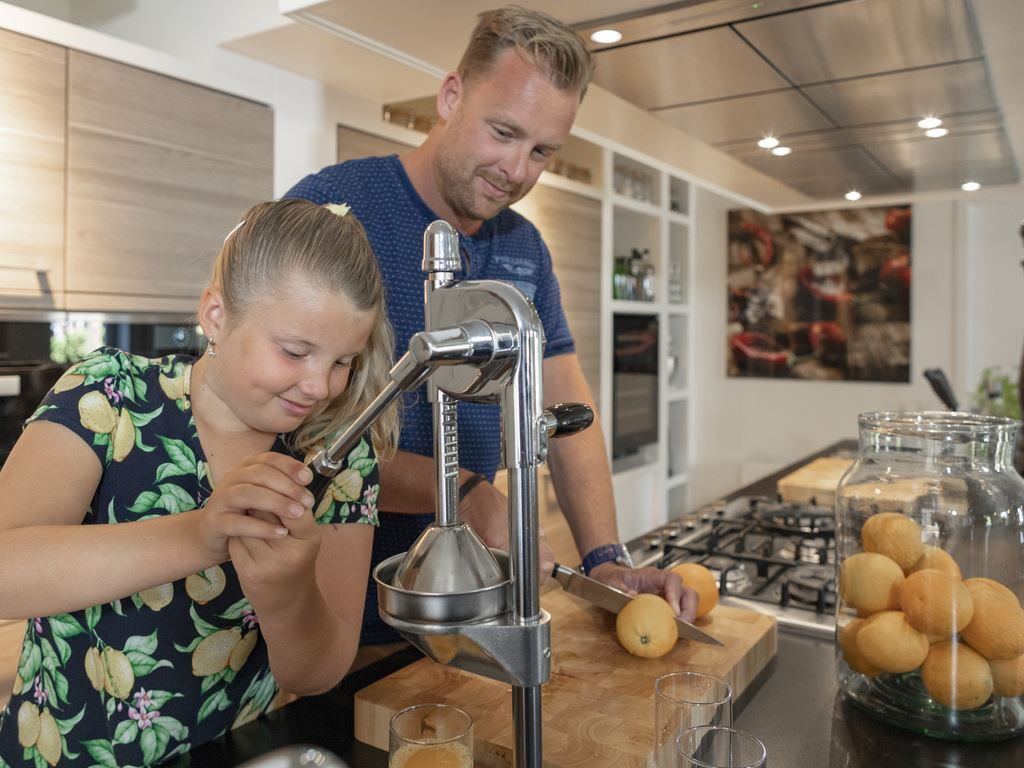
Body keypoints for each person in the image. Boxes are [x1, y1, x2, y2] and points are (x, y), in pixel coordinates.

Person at [286, 5, 696, 646]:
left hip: (469, 607)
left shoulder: (524, 247)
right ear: (451, 96)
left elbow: (565, 403)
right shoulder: (337, 211)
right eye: (503, 133)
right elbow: (299, 431)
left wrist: (603, 559)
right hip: (329, 615)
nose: (517, 171)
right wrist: (463, 490)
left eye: (542, 151)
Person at [0, 199, 399, 766]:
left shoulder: (336, 456)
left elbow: (318, 672)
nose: (320, 387)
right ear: (216, 314)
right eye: (294, 352)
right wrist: (202, 535)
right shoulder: (110, 396)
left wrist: (289, 596)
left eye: (344, 362)